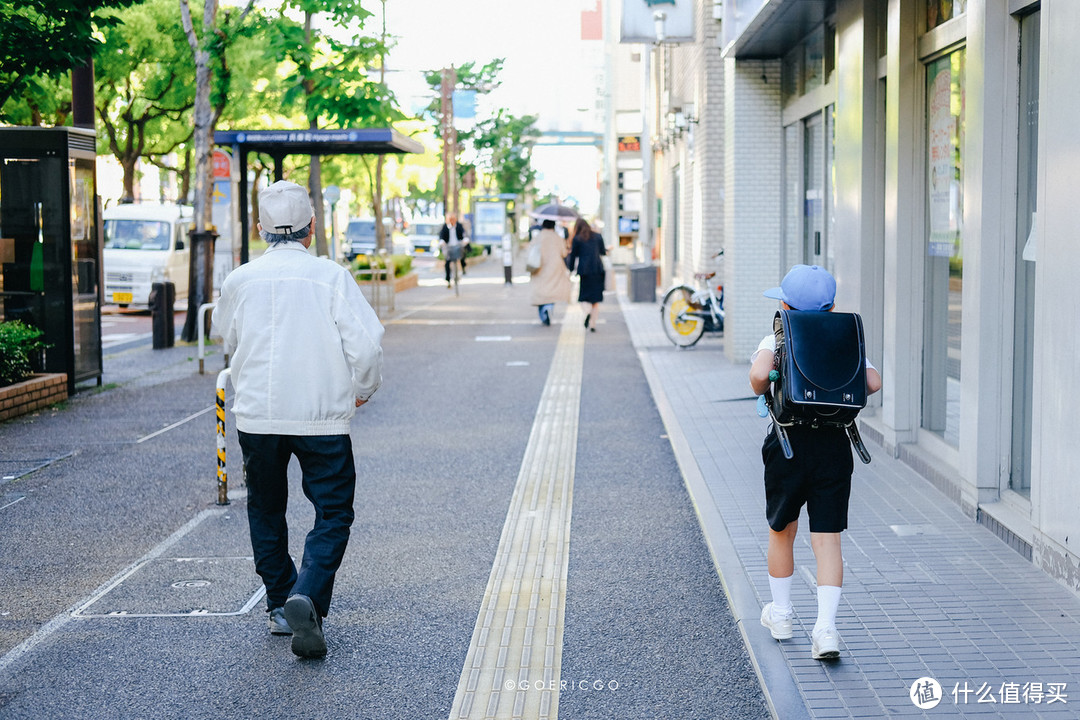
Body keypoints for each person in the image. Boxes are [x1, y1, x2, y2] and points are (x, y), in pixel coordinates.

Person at [213, 180, 384, 659]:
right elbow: (366, 346)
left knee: (265, 507)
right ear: (312, 228)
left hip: (256, 416)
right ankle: (307, 594)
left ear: (262, 230)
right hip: (321, 415)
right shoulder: (331, 278)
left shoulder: (240, 279)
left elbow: (224, 333)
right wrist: (363, 389)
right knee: (333, 510)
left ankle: (277, 605)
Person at [748, 264, 882, 661]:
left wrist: (774, 371)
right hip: (834, 447)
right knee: (828, 541)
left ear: (785, 304)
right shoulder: (843, 336)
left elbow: (758, 377)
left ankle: (784, 615)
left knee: (781, 532)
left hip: (788, 445)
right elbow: (872, 383)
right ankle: (825, 630)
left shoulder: (778, 334)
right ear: (831, 305)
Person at [565, 217, 606, 332]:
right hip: (598, 270)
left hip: (585, 272)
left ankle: (587, 312)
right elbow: (603, 252)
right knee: (595, 299)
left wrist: (571, 269)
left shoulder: (577, 239)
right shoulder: (598, 236)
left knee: (584, 297)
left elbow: (573, 256)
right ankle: (593, 324)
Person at [528, 219, 571, 325]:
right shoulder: (557, 237)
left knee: (541, 289)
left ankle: (543, 311)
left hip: (539, 266)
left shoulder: (538, 237)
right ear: (553, 226)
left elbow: (530, 250)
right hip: (554, 267)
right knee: (552, 288)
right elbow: (564, 253)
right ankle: (549, 306)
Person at [439, 213, 467, 287]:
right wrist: (442, 241)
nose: (452, 221)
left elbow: (464, 234)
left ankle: (463, 268)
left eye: (453, 219)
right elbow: (441, 235)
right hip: (449, 246)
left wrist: (465, 240)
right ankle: (448, 279)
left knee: (462, 254)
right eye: (450, 220)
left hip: (457, 245)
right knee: (447, 262)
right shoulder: (445, 227)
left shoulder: (459, 226)